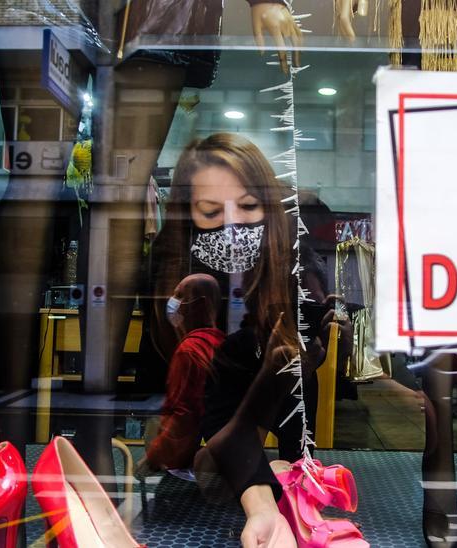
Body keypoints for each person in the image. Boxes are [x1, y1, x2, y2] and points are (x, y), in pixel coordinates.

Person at [149, 133, 350, 547]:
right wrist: (262, 502)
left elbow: (299, 378)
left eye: (248, 205)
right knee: (210, 463)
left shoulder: (287, 261)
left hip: (259, 438)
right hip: (196, 463)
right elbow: (199, 408)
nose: (233, 223)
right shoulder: (181, 279)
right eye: (209, 211)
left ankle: (287, 486)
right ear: (188, 213)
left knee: (290, 375)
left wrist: (289, 478)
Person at [141, 274, 226, 474]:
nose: (173, 303)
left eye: (179, 295)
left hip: (182, 461)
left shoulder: (190, 351)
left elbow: (184, 415)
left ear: (199, 304)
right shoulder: (221, 342)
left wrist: (152, 457)